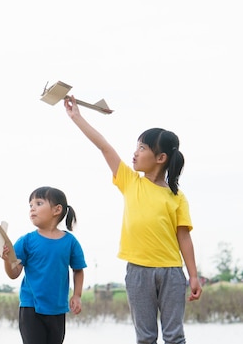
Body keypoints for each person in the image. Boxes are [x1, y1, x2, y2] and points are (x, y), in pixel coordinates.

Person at [63, 95, 202, 344]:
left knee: (174, 337)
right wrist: (76, 117)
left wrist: (193, 275)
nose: (134, 153)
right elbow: (105, 147)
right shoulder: (130, 181)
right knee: (145, 337)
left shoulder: (176, 197)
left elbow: (184, 237)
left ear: (160, 158)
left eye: (142, 148)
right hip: (137, 271)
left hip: (171, 272)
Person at [0, 186, 86, 344]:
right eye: (30, 205)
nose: (32, 209)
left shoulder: (70, 242)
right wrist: (6, 260)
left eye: (38, 203)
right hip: (31, 307)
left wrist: (77, 295)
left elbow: (78, 270)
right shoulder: (26, 241)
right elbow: (14, 273)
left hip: (58, 308)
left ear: (57, 209)